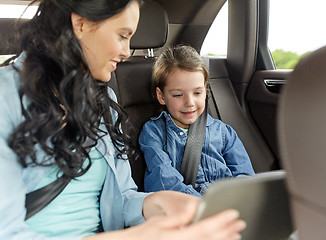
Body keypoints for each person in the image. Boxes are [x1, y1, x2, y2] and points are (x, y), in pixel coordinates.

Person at [0, 0, 246, 239]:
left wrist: (158, 203)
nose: (127, 52)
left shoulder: (103, 102)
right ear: (81, 24)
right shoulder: (5, 96)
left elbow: (121, 196)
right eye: (122, 35)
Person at [139, 45, 255, 197]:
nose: (190, 103)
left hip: (228, 205)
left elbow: (245, 177)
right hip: (185, 208)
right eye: (178, 95)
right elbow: (163, 180)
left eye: (197, 92)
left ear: (206, 91)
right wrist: (202, 206)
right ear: (161, 96)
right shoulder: (154, 132)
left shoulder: (224, 132)